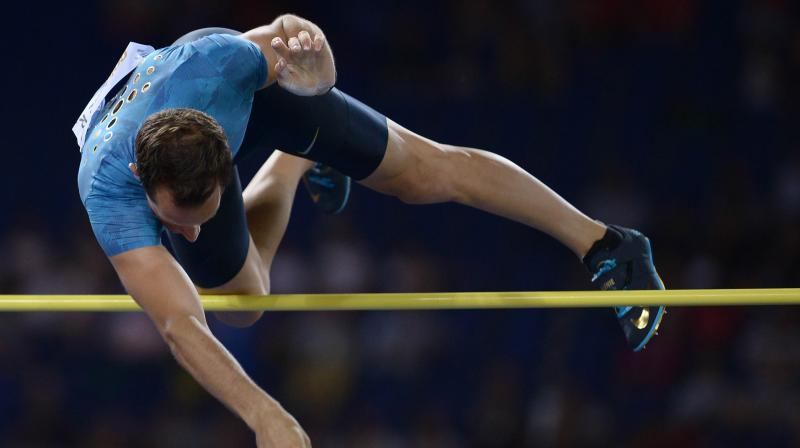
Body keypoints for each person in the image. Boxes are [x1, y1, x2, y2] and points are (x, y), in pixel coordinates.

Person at [75, 15, 664, 447]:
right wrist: (264, 415)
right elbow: (180, 326)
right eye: (180, 222)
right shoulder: (109, 192)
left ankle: (605, 242)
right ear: (140, 182)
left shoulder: (220, 65)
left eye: (202, 216)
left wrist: (318, 72)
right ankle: (295, 159)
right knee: (243, 305)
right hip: (168, 135)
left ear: (223, 167)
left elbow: (294, 31)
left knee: (427, 172)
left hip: (253, 99)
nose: (192, 234)